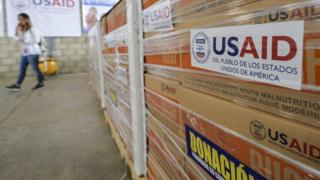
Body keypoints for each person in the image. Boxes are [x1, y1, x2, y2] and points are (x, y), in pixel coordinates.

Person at [6, 13, 44, 91]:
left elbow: (37, 40)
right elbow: (16, 39)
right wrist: (17, 31)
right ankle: (17, 85)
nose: (20, 21)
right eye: (19, 19)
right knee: (22, 69)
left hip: (33, 52)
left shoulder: (33, 29)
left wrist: (24, 40)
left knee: (35, 69)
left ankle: (40, 83)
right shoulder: (21, 29)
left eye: (21, 19)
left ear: (27, 19)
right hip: (25, 52)